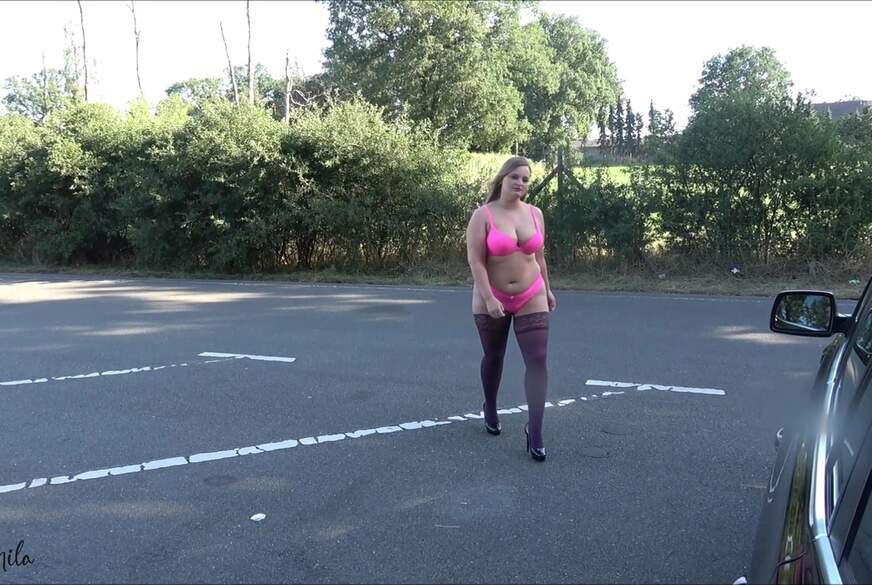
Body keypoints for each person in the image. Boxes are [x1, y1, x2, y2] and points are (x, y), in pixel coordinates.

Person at [465, 156, 556, 462]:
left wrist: (548, 288)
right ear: (502, 178)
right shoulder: (483, 215)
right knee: (494, 356)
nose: (520, 183)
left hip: (532, 294)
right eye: (515, 177)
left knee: (538, 360)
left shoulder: (535, 214)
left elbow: (539, 257)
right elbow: (476, 261)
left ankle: (536, 431)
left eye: (526, 179)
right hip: (492, 296)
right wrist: (489, 298)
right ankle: (490, 407)